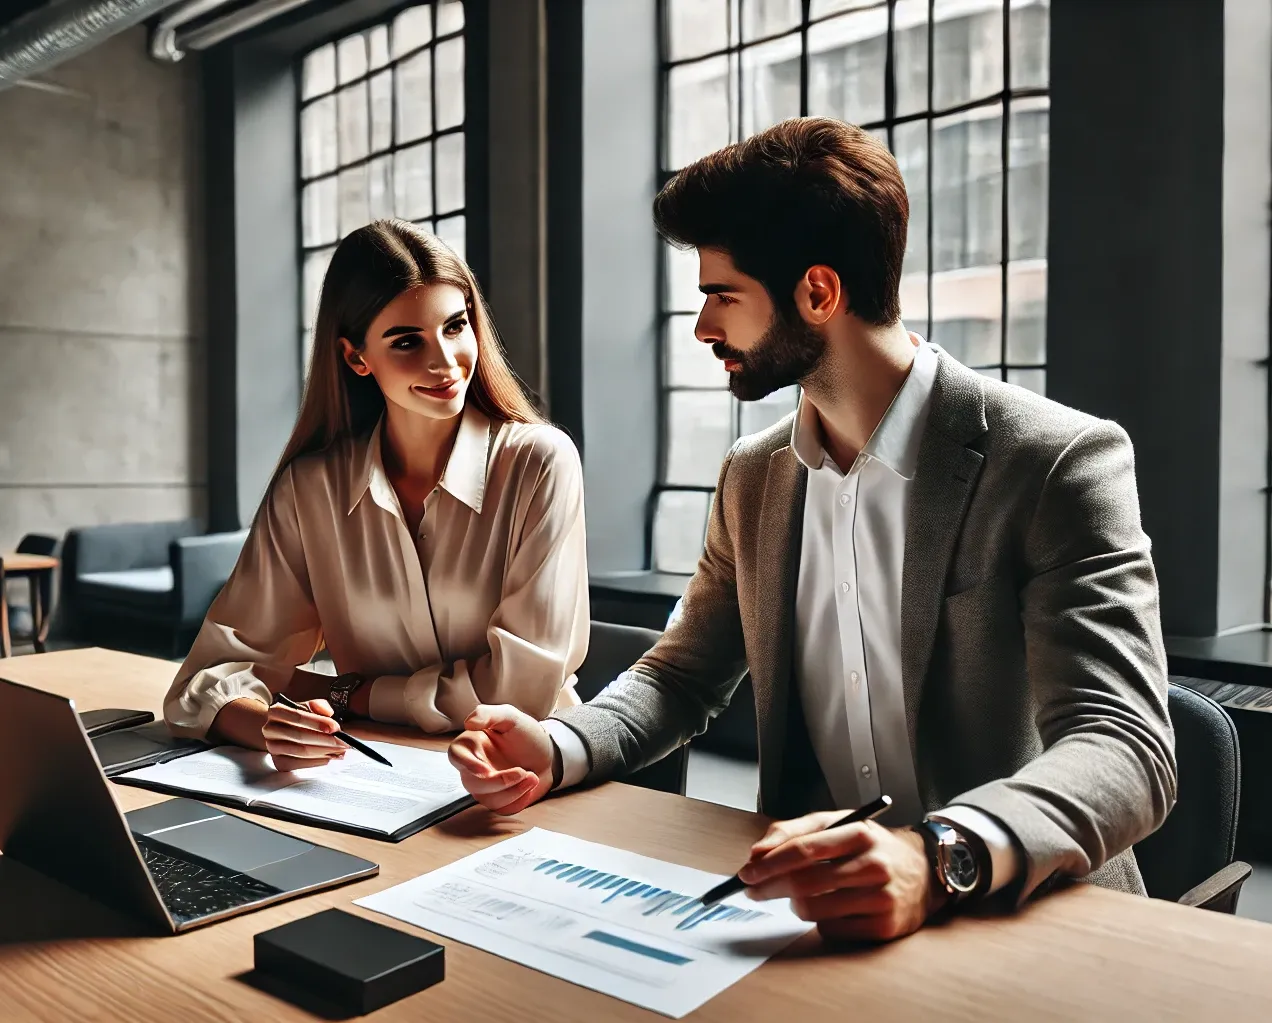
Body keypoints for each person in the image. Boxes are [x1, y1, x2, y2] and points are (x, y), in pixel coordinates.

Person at [447, 118, 1176, 942]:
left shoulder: (1055, 462)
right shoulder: (753, 477)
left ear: (818, 293)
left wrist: (937, 854)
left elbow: (1125, 746)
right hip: (820, 919)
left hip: (1024, 917)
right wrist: (560, 745)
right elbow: (683, 676)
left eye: (722, 296)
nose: (702, 328)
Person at [165, 219, 589, 771]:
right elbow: (212, 672)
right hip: (365, 772)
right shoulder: (309, 488)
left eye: (456, 327)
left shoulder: (540, 462)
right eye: (407, 341)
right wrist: (267, 725)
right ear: (356, 357)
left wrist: (356, 695)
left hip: (516, 772)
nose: (443, 361)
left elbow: (516, 690)